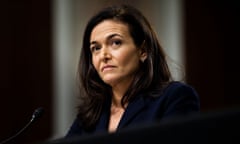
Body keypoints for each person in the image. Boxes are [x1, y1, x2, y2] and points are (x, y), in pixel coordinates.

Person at [65, 4, 200, 138]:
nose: (103, 56)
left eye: (116, 43)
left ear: (143, 51)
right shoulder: (90, 115)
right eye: (96, 48)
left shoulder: (175, 97)